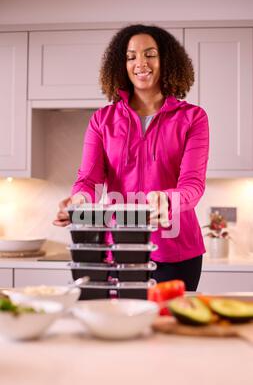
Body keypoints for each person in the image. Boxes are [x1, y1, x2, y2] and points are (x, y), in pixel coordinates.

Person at [54, 24, 209, 291]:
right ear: (121, 65)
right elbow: (88, 180)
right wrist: (79, 200)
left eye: (150, 54)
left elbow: (193, 185)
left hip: (177, 251)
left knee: (168, 328)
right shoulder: (102, 120)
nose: (141, 63)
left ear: (166, 60)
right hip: (119, 249)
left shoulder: (193, 117)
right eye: (131, 56)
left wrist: (166, 200)